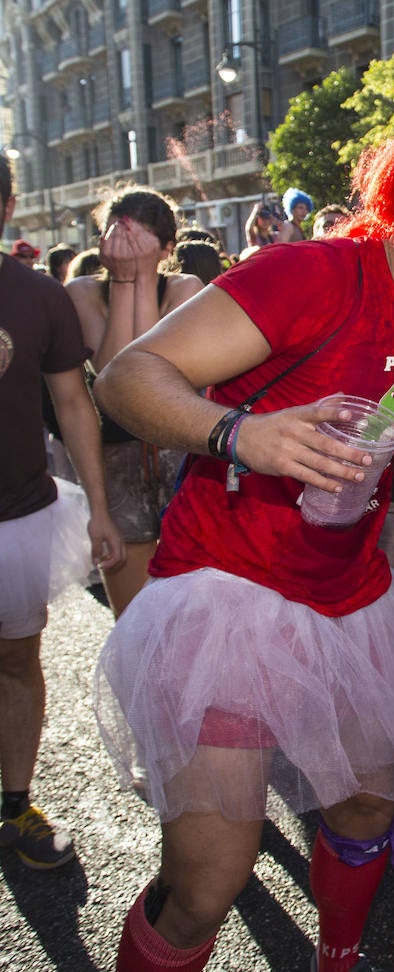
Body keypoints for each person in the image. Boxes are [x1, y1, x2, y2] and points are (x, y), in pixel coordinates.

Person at [90, 109, 394, 972]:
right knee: (208, 885)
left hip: (349, 603)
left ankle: (337, 958)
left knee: (371, 806)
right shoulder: (313, 273)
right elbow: (126, 378)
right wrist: (239, 435)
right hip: (228, 595)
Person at [0, 155, 125, 871]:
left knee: (18, 660)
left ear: (8, 205)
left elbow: (74, 403)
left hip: (19, 518)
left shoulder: (38, 296)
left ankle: (14, 804)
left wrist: (100, 509)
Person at [66, 187, 205, 618]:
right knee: (132, 622)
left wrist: (143, 276)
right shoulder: (83, 292)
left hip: (179, 456)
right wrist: (127, 279)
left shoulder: (186, 287)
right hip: (116, 461)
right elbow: (115, 378)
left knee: (192, 616)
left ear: (167, 248)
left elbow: (148, 371)